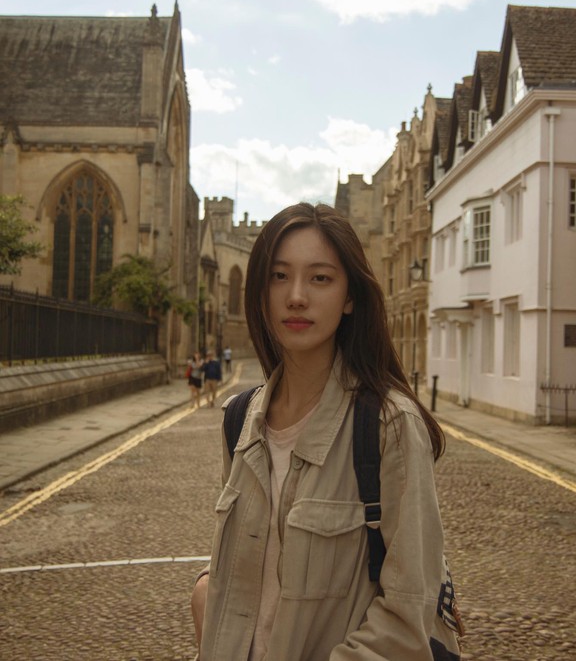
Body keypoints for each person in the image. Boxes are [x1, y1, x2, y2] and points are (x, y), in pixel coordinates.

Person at [191, 203, 460, 660]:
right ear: (260, 293)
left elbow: (407, 615)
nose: (296, 296)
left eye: (320, 278)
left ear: (349, 297)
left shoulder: (390, 426)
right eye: (279, 276)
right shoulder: (239, 419)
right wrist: (206, 593)